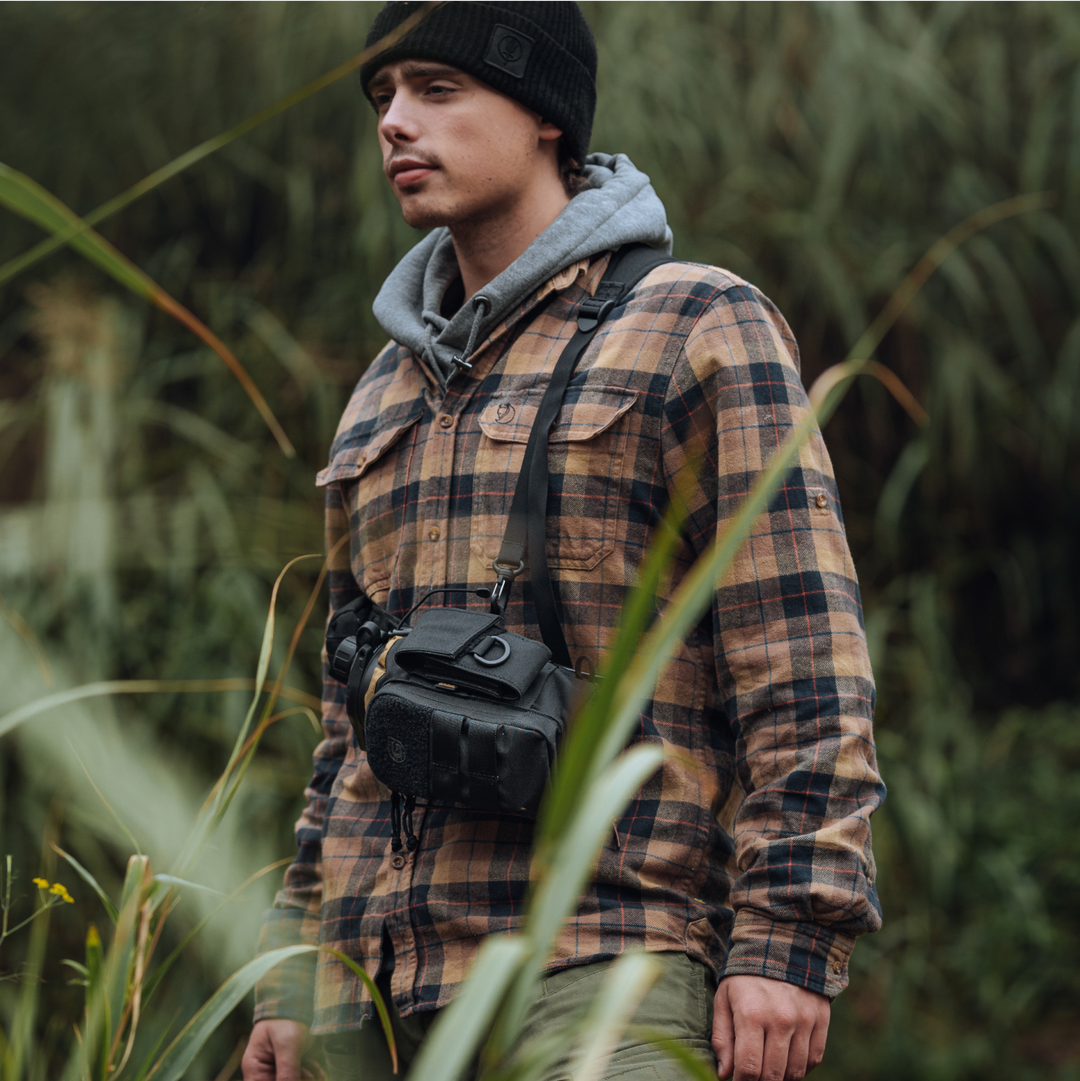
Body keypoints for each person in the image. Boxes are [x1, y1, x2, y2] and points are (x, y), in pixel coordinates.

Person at [242, 2, 884, 1080]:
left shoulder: (696, 324)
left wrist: (788, 939)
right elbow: (342, 738)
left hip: (604, 969)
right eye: (383, 97)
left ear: (545, 115)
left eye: (436, 90)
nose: (396, 122)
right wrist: (297, 972)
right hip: (382, 1003)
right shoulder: (381, 395)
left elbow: (804, 664)